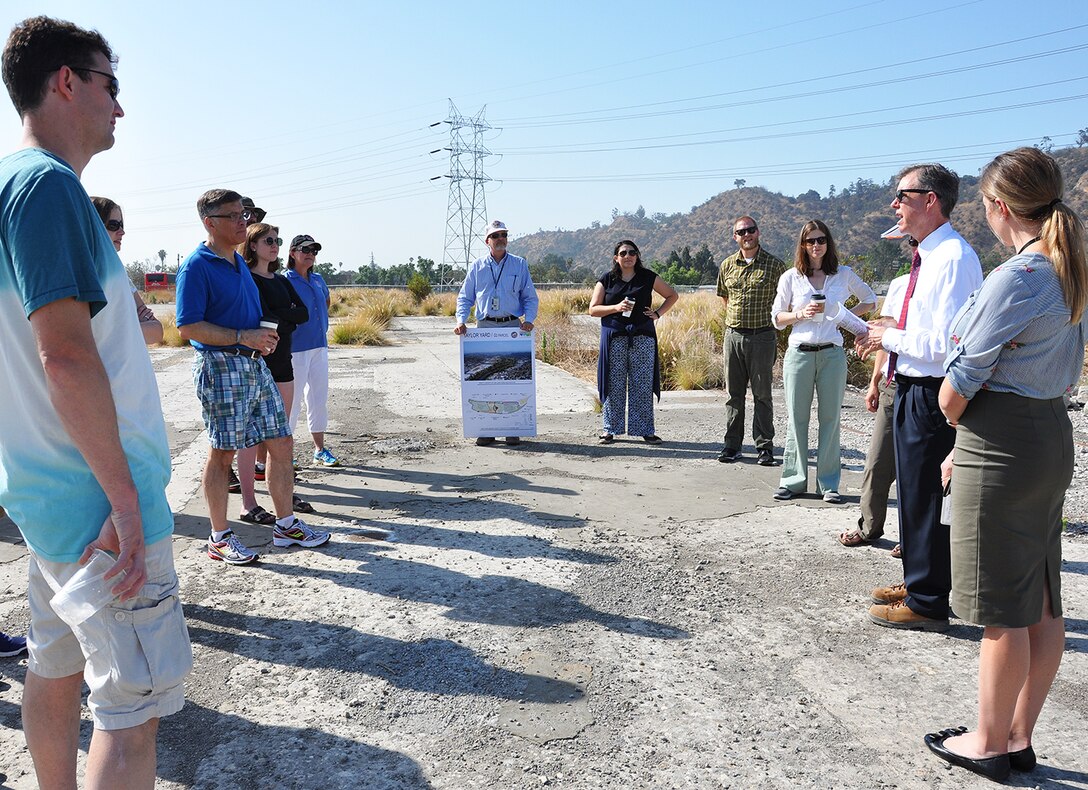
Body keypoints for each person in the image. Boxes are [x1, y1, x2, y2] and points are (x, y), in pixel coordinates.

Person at [0, 17, 191, 788]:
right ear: (67, 82)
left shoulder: (15, 189)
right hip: (101, 516)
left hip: (49, 505)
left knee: (55, 671)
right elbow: (68, 356)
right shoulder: (47, 187)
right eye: (111, 86)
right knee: (130, 714)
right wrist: (125, 499)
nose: (120, 109)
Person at [922, 147, 1088, 782]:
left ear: (997, 207)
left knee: (1001, 605)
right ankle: (1017, 735)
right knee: (1041, 597)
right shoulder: (1066, 266)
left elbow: (961, 379)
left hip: (1003, 437)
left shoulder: (1017, 277)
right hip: (1048, 433)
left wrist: (958, 425)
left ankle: (988, 740)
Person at [858, 163, 983, 631]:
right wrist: (891, 331)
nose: (895, 204)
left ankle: (929, 600)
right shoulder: (931, 257)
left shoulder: (952, 258)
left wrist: (890, 337)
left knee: (928, 496)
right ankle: (918, 580)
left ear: (931, 200)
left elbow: (945, 345)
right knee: (913, 492)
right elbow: (925, 331)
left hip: (932, 392)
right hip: (913, 386)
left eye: (903, 195)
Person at [176, 191, 329, 565]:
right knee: (223, 452)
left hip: (254, 364)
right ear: (209, 222)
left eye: (243, 215)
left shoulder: (238, 264)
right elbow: (187, 326)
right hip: (221, 366)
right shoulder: (197, 266)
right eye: (233, 216)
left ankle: (286, 525)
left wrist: (261, 335)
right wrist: (243, 337)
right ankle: (219, 536)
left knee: (281, 442)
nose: (243, 221)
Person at [771, 220, 875, 503]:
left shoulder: (843, 275)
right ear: (802, 246)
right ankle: (792, 481)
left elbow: (870, 299)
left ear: (828, 243)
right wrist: (800, 314)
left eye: (821, 240)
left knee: (830, 418)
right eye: (810, 241)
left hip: (832, 354)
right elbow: (777, 318)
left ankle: (829, 485)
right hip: (799, 354)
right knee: (797, 419)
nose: (816, 245)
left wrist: (844, 317)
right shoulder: (791, 277)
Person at [236, 222, 312, 524]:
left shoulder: (280, 280)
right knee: (250, 438)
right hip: (258, 363)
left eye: (277, 240)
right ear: (253, 245)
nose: (274, 245)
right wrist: (283, 319)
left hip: (283, 363)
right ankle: (248, 503)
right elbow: (263, 316)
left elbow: (302, 314)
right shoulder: (247, 279)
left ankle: (281, 492)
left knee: (281, 433)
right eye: (268, 240)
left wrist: (281, 321)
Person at [839, 272, 909, 549]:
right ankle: (869, 527)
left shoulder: (946, 277)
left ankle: (912, 539)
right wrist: (874, 383)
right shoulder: (900, 284)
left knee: (915, 471)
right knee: (878, 463)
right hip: (893, 384)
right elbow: (884, 338)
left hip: (927, 385)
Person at [454, 219, 540, 446]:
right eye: (496, 236)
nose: (501, 239)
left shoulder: (519, 264)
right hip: (485, 327)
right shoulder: (477, 266)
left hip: (512, 326)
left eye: (504, 235)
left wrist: (529, 320)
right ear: (487, 241)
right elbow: (465, 297)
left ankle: (511, 428)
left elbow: (530, 297)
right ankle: (486, 429)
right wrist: (461, 320)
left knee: (512, 383)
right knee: (486, 382)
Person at [588, 240, 679, 444]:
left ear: (637, 256)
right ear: (616, 257)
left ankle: (645, 430)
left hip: (642, 337)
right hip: (615, 338)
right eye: (623, 253)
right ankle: (610, 429)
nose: (627, 256)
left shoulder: (648, 277)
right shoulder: (607, 279)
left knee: (642, 385)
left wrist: (657, 313)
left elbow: (672, 295)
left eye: (632, 252)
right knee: (614, 384)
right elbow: (593, 309)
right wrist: (616, 307)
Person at [716, 215, 786, 465]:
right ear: (734, 236)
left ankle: (765, 447)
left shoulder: (775, 265)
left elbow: (784, 300)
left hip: (762, 337)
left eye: (751, 230)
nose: (747, 235)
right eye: (741, 232)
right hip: (733, 336)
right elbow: (725, 298)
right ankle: (732, 446)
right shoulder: (726, 265)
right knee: (733, 395)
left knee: (762, 395)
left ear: (758, 233)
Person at [284, 234, 340, 467]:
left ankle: (319, 449)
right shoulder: (285, 281)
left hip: (319, 346)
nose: (310, 253)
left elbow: (325, 302)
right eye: (305, 249)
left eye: (314, 250)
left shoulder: (318, 279)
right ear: (292, 253)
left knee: (318, 398)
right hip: (295, 349)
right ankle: (285, 454)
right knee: (293, 402)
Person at [90, 196, 163, 345]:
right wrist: (134, 325)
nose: (122, 232)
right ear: (93, 225)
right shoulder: (78, 274)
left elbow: (156, 332)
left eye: (122, 225)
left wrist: (117, 329)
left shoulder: (120, 273)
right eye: (113, 225)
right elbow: (93, 336)